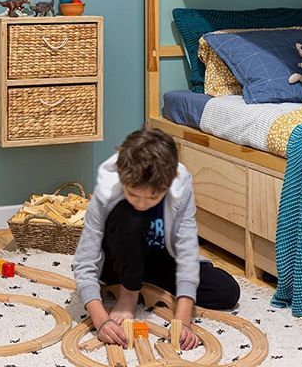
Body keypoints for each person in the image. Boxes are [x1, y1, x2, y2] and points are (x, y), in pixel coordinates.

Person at [73, 127, 240, 350]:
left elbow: (186, 251)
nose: (141, 203)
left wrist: (182, 321)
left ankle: (145, 282)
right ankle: (129, 293)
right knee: (132, 217)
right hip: (117, 260)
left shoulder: (181, 185)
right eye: (133, 194)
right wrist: (101, 321)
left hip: (157, 256)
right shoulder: (107, 188)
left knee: (227, 292)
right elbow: (84, 262)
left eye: (151, 197)